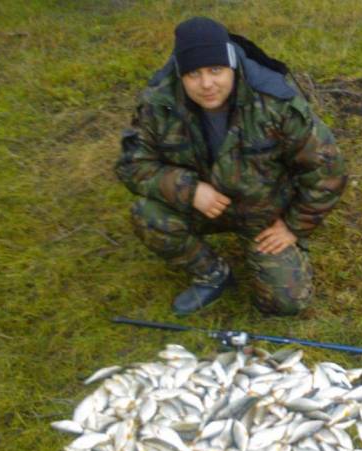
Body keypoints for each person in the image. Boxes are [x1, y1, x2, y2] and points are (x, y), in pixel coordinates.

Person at [115, 17, 347, 316]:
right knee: (147, 214)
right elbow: (132, 162)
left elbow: (328, 171)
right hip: (202, 206)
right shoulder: (160, 104)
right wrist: (189, 189)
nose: (207, 84)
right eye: (194, 74)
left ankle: (272, 253)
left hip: (264, 212)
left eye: (215, 70)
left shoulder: (275, 101)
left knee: (286, 303)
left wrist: (292, 225)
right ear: (180, 74)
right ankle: (212, 274)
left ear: (232, 66)